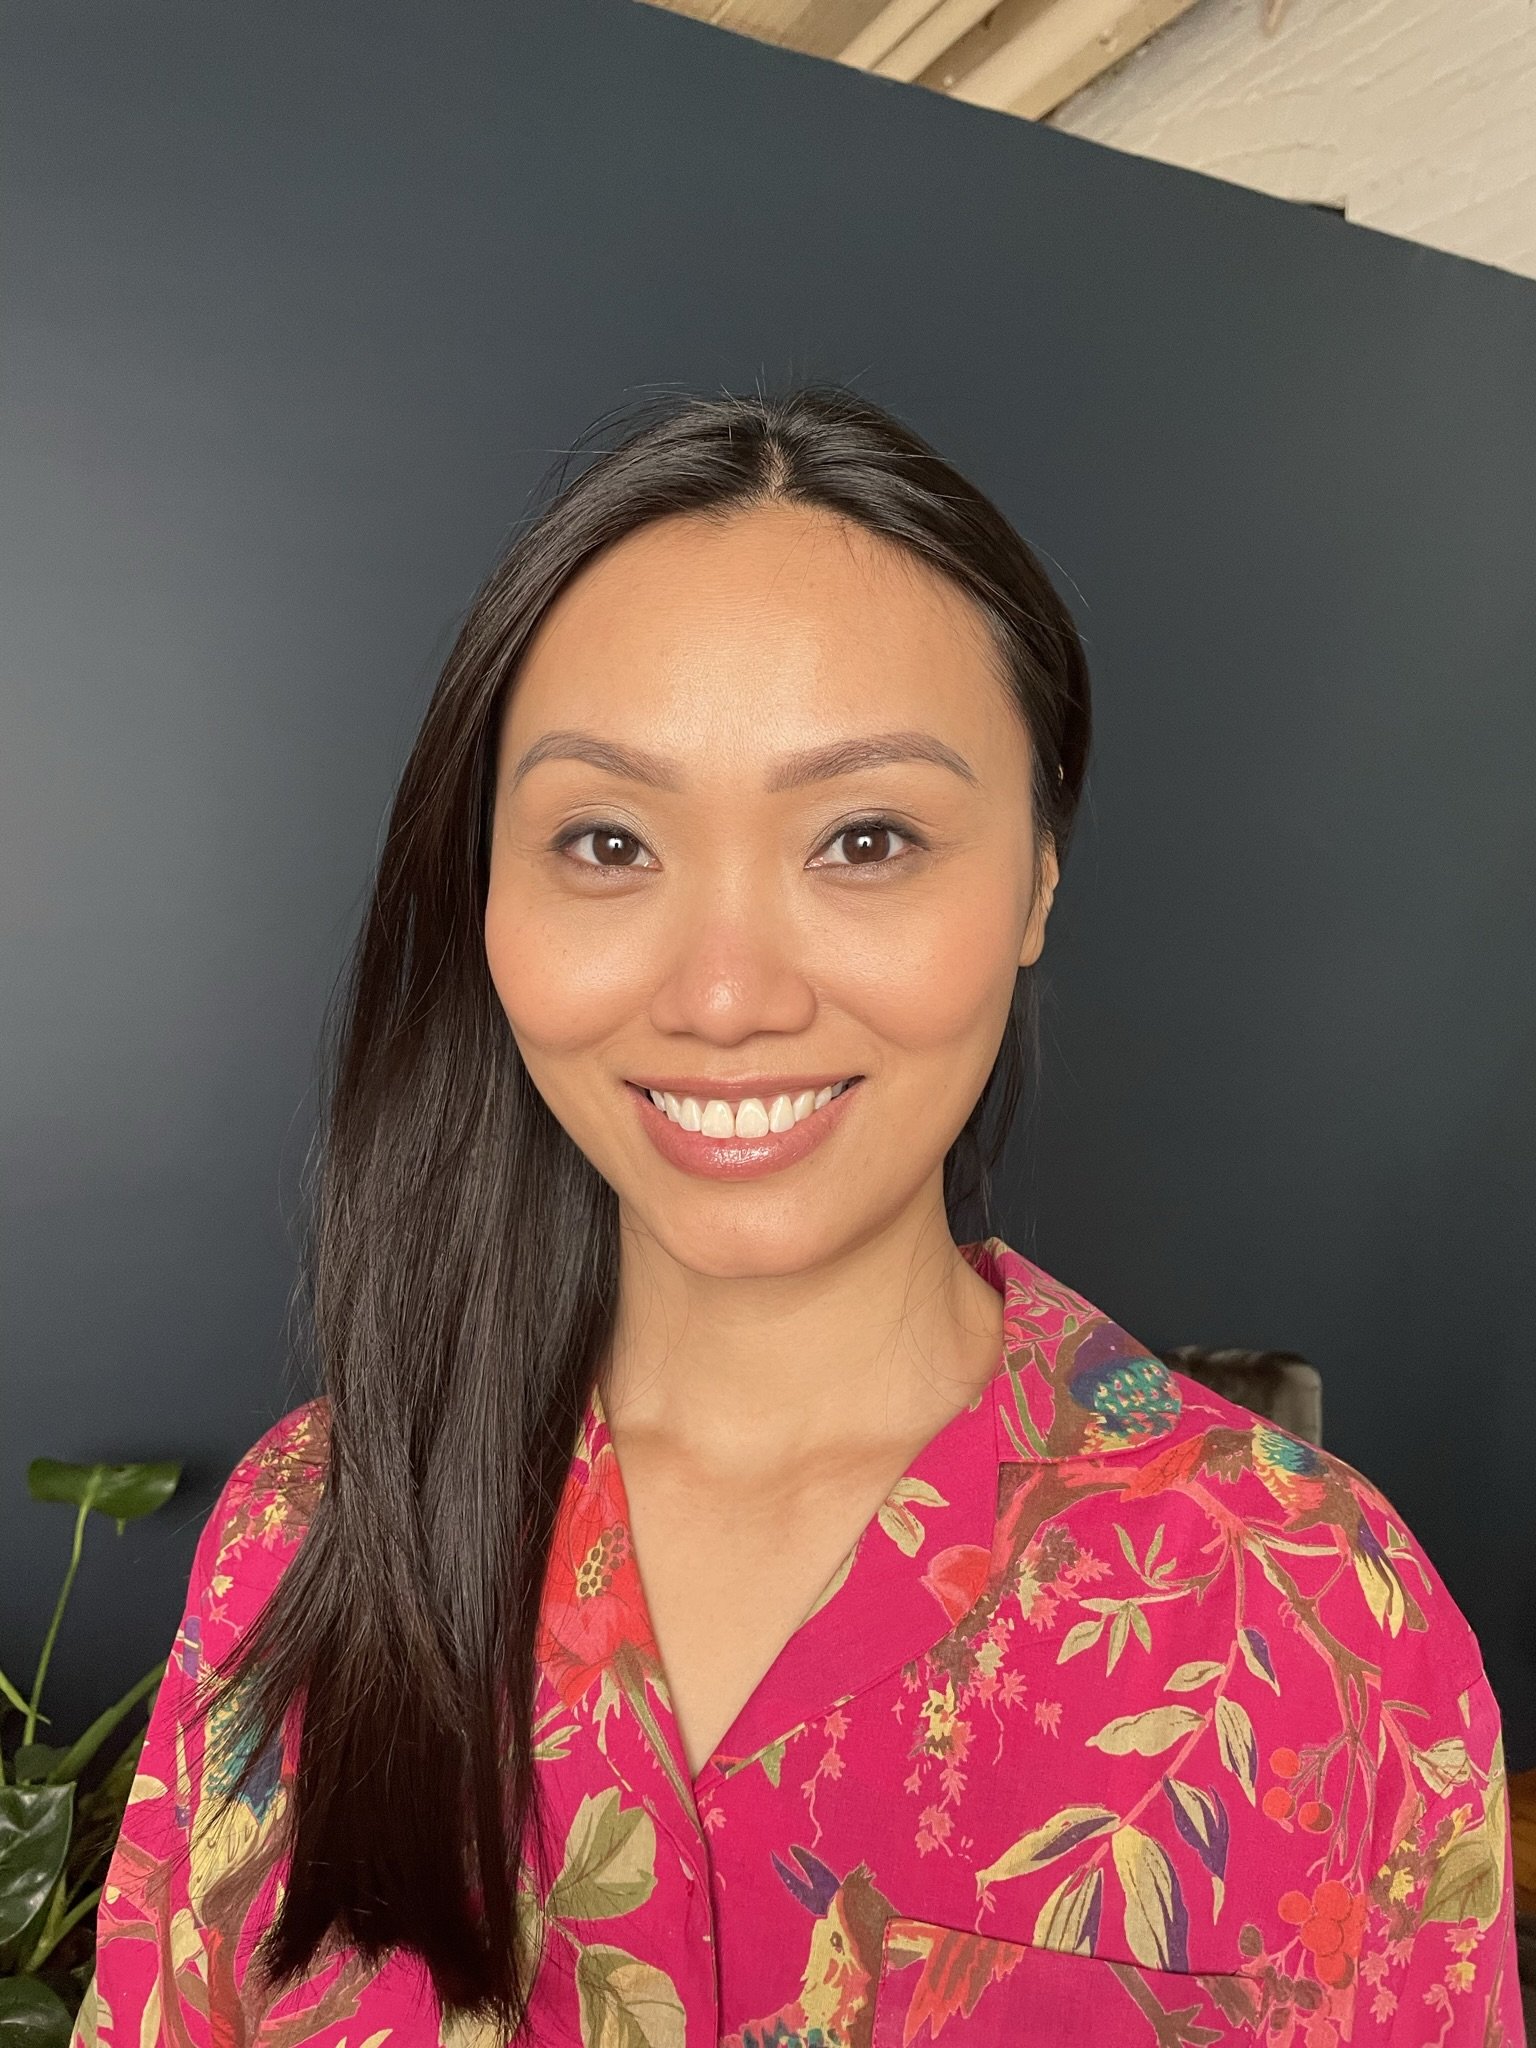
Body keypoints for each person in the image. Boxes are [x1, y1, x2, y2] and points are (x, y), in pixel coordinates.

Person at [75, 386, 1523, 2047]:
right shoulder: (300, 1539)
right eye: (608, 841)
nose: (724, 994)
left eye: (867, 838)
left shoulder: (1315, 1613)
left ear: (1038, 876)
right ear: (485, 889)